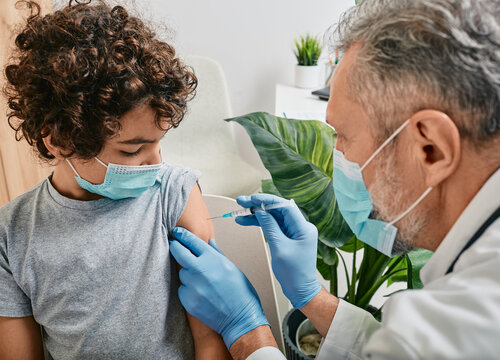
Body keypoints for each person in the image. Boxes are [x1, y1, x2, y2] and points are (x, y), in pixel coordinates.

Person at [169, 0, 500, 359]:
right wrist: (312, 296)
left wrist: (246, 329)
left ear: (431, 149)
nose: (337, 157)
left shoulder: (461, 324)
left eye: (343, 135)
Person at [0, 1, 232, 359]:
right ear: (59, 139)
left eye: (158, 143)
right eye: (132, 150)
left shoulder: (175, 195)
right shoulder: (11, 237)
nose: (156, 163)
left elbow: (210, 342)